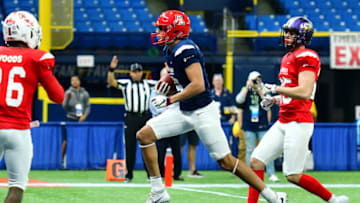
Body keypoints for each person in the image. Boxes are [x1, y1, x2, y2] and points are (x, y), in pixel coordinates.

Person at [136, 10, 286, 203]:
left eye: (164, 29)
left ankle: (272, 196)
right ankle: (158, 192)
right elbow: (183, 79)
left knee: (226, 161)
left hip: (202, 112)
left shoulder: (185, 49)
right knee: (144, 135)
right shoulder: (173, 48)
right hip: (184, 110)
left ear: (176, 31)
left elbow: (198, 85)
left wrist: (169, 100)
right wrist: (170, 83)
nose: (159, 32)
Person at [249, 16, 349, 203]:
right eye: (286, 32)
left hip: (299, 121)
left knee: (292, 175)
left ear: (302, 36)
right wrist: (276, 100)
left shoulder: (307, 56)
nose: (287, 35)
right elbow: (291, 92)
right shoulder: (287, 57)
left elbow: (304, 92)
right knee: (255, 161)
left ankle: (333, 200)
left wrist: (275, 88)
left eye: (292, 33)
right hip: (284, 119)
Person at [0, 11, 64, 203]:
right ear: (28, 32)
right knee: (16, 188)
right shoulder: (36, 58)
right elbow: (58, 96)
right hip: (19, 131)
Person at [108, 57, 156, 182]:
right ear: (130, 73)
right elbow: (112, 82)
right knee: (130, 147)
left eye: (139, 71)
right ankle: (129, 174)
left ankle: (150, 174)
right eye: (134, 71)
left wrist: (168, 72)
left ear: (142, 72)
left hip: (145, 117)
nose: (137, 73)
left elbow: (162, 84)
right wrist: (111, 69)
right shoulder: (126, 83)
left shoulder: (149, 84)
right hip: (131, 117)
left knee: (147, 146)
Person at [235, 71, 279, 182]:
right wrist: (247, 87)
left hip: (262, 124)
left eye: (258, 80)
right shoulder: (245, 91)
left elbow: (268, 102)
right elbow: (238, 100)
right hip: (249, 125)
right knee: (249, 149)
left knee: (268, 149)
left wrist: (260, 90)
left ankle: (271, 173)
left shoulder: (263, 89)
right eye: (254, 80)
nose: (256, 82)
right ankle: (249, 175)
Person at [150, 67, 183, 181]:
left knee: (176, 150)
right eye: (165, 75)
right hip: (162, 123)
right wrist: (165, 114)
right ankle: (161, 173)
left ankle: (177, 173)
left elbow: (178, 105)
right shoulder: (155, 90)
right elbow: (153, 106)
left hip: (174, 123)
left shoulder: (176, 90)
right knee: (160, 150)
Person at [62, 75, 91, 167]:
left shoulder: (85, 93)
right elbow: (64, 107)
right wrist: (68, 99)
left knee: (81, 140)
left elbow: (87, 106)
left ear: (79, 81)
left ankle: (80, 161)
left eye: (76, 80)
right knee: (66, 140)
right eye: (72, 80)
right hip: (70, 119)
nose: (74, 82)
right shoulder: (68, 92)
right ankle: (62, 160)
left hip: (81, 120)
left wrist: (85, 115)